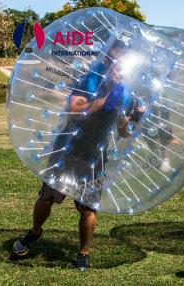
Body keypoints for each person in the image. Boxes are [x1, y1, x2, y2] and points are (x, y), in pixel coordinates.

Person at [12, 41, 145, 271]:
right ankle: (35, 232)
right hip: (69, 148)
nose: (117, 67)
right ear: (107, 60)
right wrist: (106, 97)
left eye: (122, 63)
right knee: (47, 197)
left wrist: (134, 119)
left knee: (88, 208)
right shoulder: (90, 81)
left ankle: (83, 253)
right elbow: (74, 112)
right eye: (113, 60)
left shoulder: (126, 94)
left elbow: (123, 132)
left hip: (96, 154)